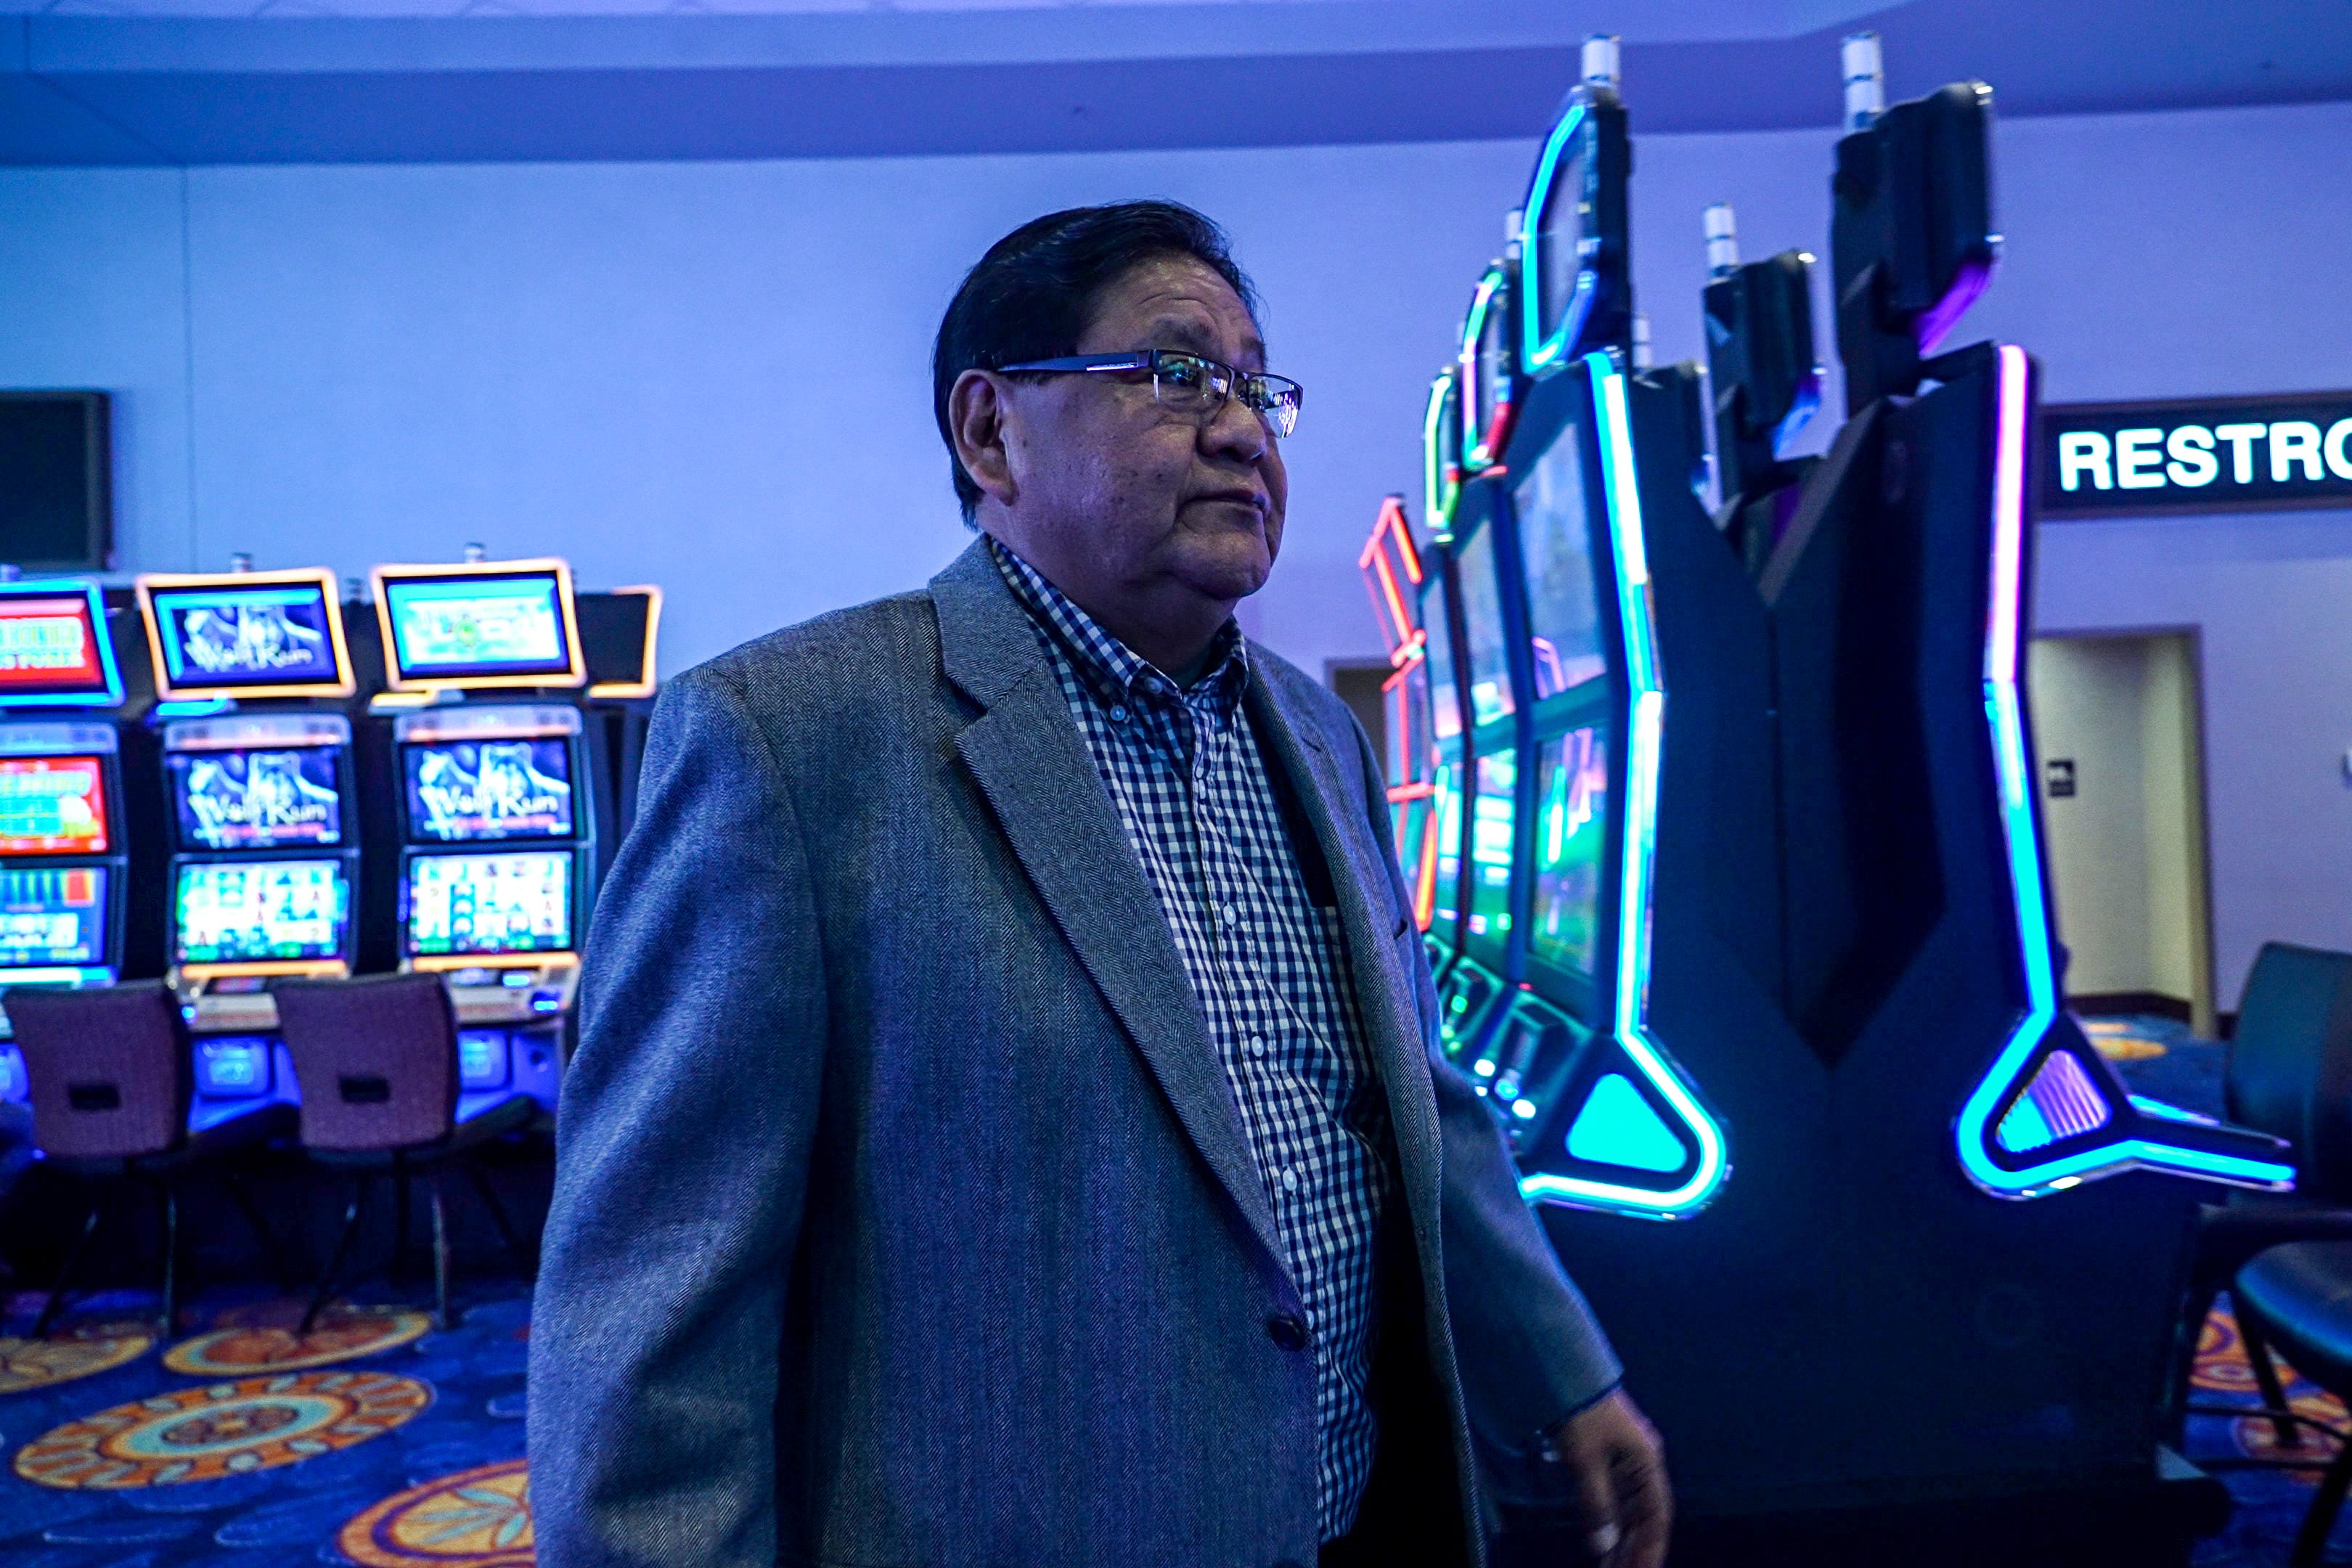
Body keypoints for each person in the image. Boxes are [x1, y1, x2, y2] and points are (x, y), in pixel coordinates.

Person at [528, 200, 1670, 1568]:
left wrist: (1562, 1366)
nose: (1244, 428)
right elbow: (653, 1324)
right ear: (992, 431)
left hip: (1358, 1520)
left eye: (1259, 386)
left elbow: (1412, 1099)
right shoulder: (789, 739)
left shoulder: (1322, 738)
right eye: (1181, 373)